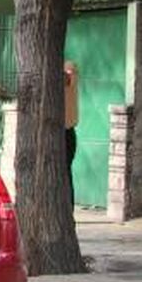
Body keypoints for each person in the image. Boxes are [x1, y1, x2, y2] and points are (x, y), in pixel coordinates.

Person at [64, 60, 79, 208]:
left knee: (64, 173)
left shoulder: (69, 66)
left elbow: (67, 79)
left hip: (66, 132)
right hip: (49, 133)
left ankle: (68, 210)